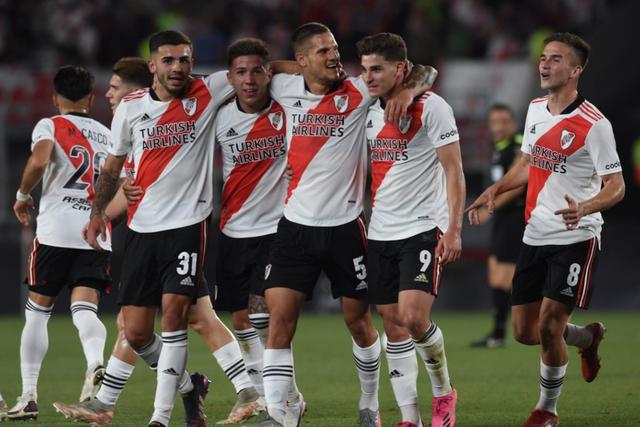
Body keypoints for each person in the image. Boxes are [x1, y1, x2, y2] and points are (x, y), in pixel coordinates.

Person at [248, 23, 437, 427]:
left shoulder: (359, 90)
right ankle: (281, 413)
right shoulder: (283, 88)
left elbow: (425, 71)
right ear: (302, 61)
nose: (334, 56)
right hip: (295, 226)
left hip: (346, 230)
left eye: (334, 47)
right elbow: (256, 69)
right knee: (278, 319)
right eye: (322, 51)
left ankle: (369, 404)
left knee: (358, 321)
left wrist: (407, 90)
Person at [81, 30, 239, 427]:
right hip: (139, 231)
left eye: (184, 59)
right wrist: (99, 212)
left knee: (178, 318)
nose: (178, 67)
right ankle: (193, 388)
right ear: (152, 65)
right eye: (168, 60)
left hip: (187, 228)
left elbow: (262, 69)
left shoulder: (208, 90)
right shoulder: (130, 110)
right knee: (135, 331)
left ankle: (159, 417)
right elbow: (113, 169)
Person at [466, 32, 625, 427]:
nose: (545, 64)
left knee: (550, 324)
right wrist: (495, 189)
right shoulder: (536, 109)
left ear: (575, 70)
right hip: (535, 234)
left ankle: (546, 412)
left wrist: (585, 206)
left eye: (555, 58)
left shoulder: (595, 125)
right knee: (525, 332)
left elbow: (617, 186)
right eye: (543, 57)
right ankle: (587, 339)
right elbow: (526, 163)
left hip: (577, 235)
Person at [358, 33, 463, 427]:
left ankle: (443, 394)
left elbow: (454, 170)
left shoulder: (432, 107)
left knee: (414, 317)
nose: (368, 77)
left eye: (377, 69)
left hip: (423, 227)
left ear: (401, 69)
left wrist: (453, 230)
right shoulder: (366, 109)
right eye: (365, 69)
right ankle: (410, 418)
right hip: (381, 230)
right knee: (392, 322)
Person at [9, 65, 112, 420]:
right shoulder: (107, 133)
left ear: (55, 98)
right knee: (86, 308)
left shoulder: (50, 124)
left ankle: (28, 396)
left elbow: (39, 160)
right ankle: (97, 363)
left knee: (37, 313)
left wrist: (23, 194)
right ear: (91, 97)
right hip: (95, 233)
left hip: (55, 231)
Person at [213, 37, 307, 424]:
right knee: (240, 321)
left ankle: (277, 405)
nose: (249, 79)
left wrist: (278, 67)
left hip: (277, 229)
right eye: (240, 72)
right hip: (233, 229)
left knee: (267, 320)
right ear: (229, 78)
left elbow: (306, 70)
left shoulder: (287, 107)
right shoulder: (217, 116)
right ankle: (290, 396)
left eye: (257, 70)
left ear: (269, 73)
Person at [470, 104, 526, 348]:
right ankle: (499, 332)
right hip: (503, 218)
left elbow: (519, 185)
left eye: (504, 121)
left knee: (505, 278)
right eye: (495, 122)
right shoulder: (498, 148)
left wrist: (488, 209)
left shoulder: (519, 144)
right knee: (496, 275)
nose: (499, 126)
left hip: (515, 218)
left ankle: (522, 325)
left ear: (512, 122)